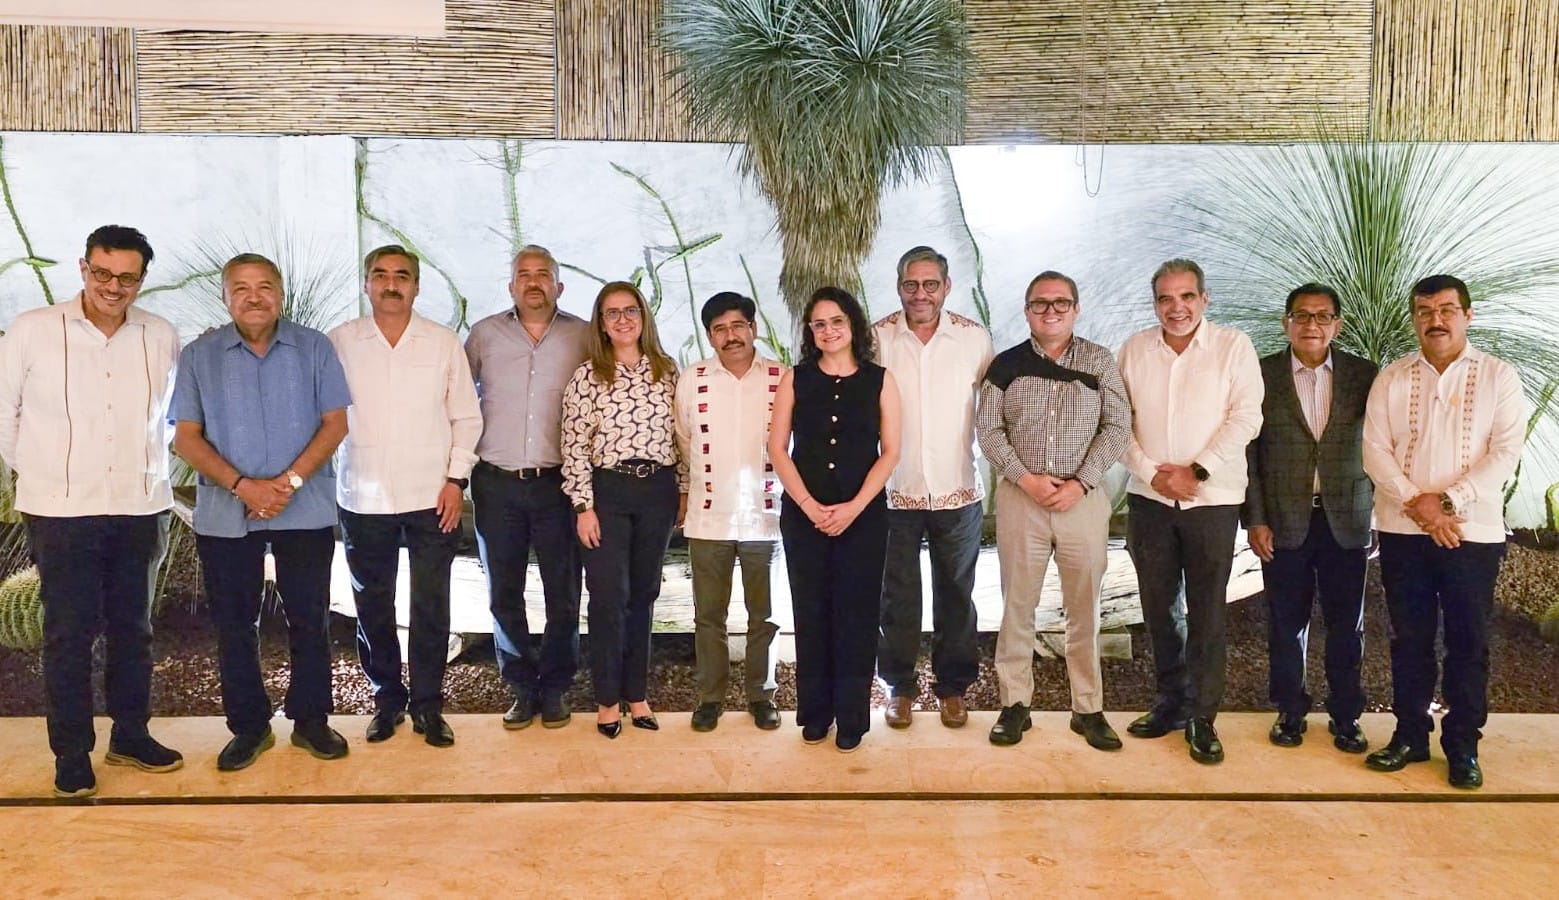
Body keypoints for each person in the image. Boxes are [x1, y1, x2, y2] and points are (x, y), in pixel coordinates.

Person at [0, 225, 183, 798]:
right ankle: (71, 753)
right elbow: (5, 416)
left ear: (141, 280)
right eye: (102, 273)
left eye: (127, 277)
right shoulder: (33, 330)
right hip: (61, 509)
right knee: (68, 634)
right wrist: (49, 471)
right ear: (83, 268)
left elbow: (171, 418)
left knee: (135, 630)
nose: (113, 286)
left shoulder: (160, 334)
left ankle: (131, 735)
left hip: (140, 505)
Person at [171, 252, 351, 772]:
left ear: (281, 293)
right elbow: (186, 437)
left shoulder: (314, 347)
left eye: (265, 286)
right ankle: (249, 727)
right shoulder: (199, 355)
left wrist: (288, 483)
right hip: (227, 511)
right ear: (225, 296)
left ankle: (311, 721)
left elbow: (335, 424)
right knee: (234, 623)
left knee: (310, 619)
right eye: (242, 288)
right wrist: (243, 487)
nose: (255, 297)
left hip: (304, 507)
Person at [1362, 274, 1527, 789]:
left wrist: (1448, 502)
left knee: (1467, 641)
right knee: (1409, 638)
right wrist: (1419, 504)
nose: (1436, 320)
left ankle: (1462, 745)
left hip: (1470, 533)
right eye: (1425, 311)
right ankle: (1410, 735)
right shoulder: (1392, 378)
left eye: (1447, 310)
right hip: (1403, 529)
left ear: (1467, 315)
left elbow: (1505, 452)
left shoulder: (1498, 376)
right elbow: (1374, 449)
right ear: (1415, 318)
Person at [329, 245, 482, 748]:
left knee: (431, 604)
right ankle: (387, 700)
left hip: (431, 494)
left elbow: (467, 416)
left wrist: (456, 480)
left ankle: (429, 706)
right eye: (380, 275)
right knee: (373, 603)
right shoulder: (340, 342)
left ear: (416, 286)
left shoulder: (441, 343)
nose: (391, 284)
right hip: (363, 493)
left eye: (401, 276)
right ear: (366, 283)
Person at [1117, 258, 1263, 765]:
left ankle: (1202, 716)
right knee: (1159, 609)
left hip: (1211, 501)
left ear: (1204, 299)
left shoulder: (1233, 346)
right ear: (1155, 303)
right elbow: (1117, 420)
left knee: (1207, 611)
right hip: (1151, 500)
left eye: (1186, 297)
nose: (1175, 308)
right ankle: (1170, 703)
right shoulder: (1134, 349)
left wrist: (1197, 471)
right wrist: (1151, 472)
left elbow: (1247, 417)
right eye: (1165, 298)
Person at [976, 271, 1130, 750]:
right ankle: (1014, 705)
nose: (1051, 311)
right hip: (1022, 499)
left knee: (1084, 608)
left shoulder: (1098, 361)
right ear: (1027, 311)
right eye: (1040, 303)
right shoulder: (1006, 365)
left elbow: (1117, 426)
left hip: (1081, 500)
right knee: (1017, 606)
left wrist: (1081, 483)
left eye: (1061, 302)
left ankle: (1087, 709)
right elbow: (988, 430)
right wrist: (1026, 479)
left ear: (1076, 309)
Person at [1242, 283, 1376, 754]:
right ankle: (1290, 710)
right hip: (1283, 521)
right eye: (1301, 316)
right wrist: (1255, 519)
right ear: (1287, 323)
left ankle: (1346, 715)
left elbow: (1383, 445)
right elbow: (1250, 453)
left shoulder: (1364, 375)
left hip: (1347, 519)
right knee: (1286, 623)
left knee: (1347, 625)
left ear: (1337, 324)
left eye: (1322, 316)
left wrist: (1376, 511)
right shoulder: (1261, 375)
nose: (1311, 325)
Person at [770, 286, 901, 752]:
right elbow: (777, 449)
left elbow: (890, 453)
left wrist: (854, 507)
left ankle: (851, 718)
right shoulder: (795, 379)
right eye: (819, 324)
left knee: (856, 615)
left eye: (837, 321)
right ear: (810, 332)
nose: (828, 331)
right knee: (811, 612)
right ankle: (816, 713)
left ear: (854, 325)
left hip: (862, 516)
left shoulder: (880, 380)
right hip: (804, 515)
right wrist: (808, 505)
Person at [465, 245, 590, 730]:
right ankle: (520, 686)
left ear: (559, 285)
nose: (533, 282)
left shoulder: (583, 336)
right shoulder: (484, 335)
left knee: (564, 591)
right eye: (524, 274)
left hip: (559, 484)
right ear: (511, 285)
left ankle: (555, 687)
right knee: (504, 590)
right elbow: (456, 398)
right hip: (496, 482)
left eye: (543, 274)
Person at [871, 246, 994, 729]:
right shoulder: (877, 338)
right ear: (899, 286)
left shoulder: (972, 338)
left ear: (946, 286)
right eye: (911, 284)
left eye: (930, 284)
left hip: (957, 489)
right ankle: (898, 688)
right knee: (896, 596)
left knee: (957, 594)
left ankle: (953, 688)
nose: (920, 294)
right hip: (893, 489)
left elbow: (993, 406)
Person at [561, 282, 687, 738]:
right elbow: (574, 446)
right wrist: (583, 506)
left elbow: (682, 436)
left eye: (630, 310)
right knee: (609, 597)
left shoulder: (667, 371)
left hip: (657, 491)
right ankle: (608, 700)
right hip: (607, 493)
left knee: (644, 594)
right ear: (601, 322)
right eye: (611, 312)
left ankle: (637, 695)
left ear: (643, 316)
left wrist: (684, 491)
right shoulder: (587, 376)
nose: (622, 320)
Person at [674, 292, 785, 732]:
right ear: (709, 336)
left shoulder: (781, 377)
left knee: (766, 616)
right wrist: (686, 493)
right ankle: (710, 698)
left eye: (738, 325)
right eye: (720, 329)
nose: (731, 336)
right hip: (709, 517)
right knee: (708, 617)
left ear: (753, 328)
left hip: (766, 516)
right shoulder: (694, 379)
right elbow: (683, 440)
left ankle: (762, 696)